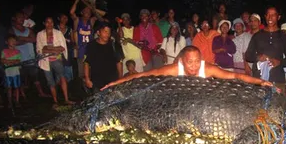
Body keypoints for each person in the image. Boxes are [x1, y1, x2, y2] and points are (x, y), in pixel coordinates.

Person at [101, 46, 273, 90]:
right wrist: (115, 83)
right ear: (182, 62)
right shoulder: (175, 69)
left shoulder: (208, 69)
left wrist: (261, 82)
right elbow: (144, 74)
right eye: (190, 62)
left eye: (197, 61)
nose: (194, 66)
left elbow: (236, 76)